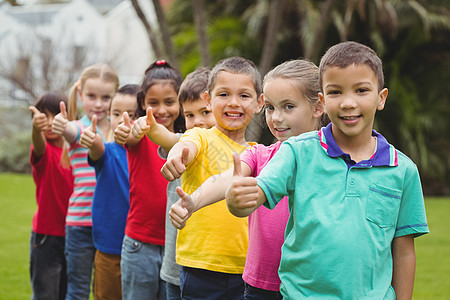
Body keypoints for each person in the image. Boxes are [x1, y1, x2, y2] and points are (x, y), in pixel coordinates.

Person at [225, 41, 430, 299]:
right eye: (335, 92)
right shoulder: (297, 153)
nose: (347, 102)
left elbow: (404, 251)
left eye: (361, 90)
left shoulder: (403, 171)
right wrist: (236, 200)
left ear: (381, 98)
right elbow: (252, 197)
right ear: (322, 100)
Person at [169, 59, 326, 299]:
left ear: (318, 106)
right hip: (258, 286)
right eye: (272, 108)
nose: (276, 118)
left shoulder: (334, 162)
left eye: (288, 107)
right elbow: (226, 178)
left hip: (308, 284)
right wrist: (193, 201)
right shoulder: (259, 155)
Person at [161, 56, 264, 300]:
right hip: (201, 268)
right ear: (208, 98)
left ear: (260, 102)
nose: (234, 103)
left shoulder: (259, 154)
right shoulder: (200, 136)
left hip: (246, 271)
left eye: (244, 96)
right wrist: (176, 157)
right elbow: (184, 146)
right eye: (224, 94)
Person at [113, 60, 185, 300]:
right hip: (139, 244)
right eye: (153, 103)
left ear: (180, 103)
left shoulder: (188, 140)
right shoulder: (139, 133)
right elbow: (129, 137)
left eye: (169, 102)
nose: (161, 110)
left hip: (176, 245)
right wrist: (127, 133)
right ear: (143, 103)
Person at [52, 63, 119, 300]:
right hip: (80, 224)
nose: (99, 104)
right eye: (92, 96)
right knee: (78, 291)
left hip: (113, 224)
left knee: (108, 292)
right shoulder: (78, 127)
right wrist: (62, 126)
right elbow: (73, 132)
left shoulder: (120, 131)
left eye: (106, 97)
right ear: (80, 95)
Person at [79, 84, 138, 300]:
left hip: (144, 249)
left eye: (132, 115)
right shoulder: (108, 151)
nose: (124, 121)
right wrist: (92, 140)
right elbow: (97, 148)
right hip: (110, 248)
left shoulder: (153, 155)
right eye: (116, 114)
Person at [29, 92, 74, 300]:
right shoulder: (43, 150)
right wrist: (35, 130)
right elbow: (38, 144)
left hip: (75, 237)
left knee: (68, 293)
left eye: (54, 116)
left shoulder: (76, 153)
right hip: (47, 237)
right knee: (45, 295)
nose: (48, 122)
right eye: (43, 117)